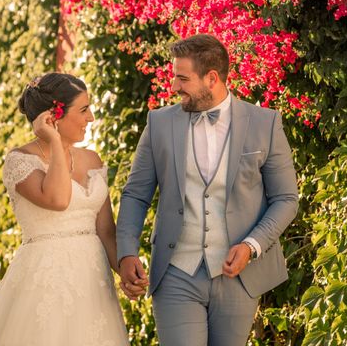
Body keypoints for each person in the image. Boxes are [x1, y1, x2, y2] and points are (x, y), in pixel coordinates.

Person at [116, 34, 299, 346]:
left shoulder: (264, 123)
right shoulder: (159, 123)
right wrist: (126, 252)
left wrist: (251, 246)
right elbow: (136, 193)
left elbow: (285, 198)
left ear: (212, 78)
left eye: (182, 78)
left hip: (239, 277)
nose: (174, 87)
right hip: (176, 272)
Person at [0, 72, 128, 345]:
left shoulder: (92, 159)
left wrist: (124, 270)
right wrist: (54, 142)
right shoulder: (20, 161)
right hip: (45, 285)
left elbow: (105, 230)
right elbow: (58, 200)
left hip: (94, 286)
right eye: (84, 110)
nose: (91, 118)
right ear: (54, 115)